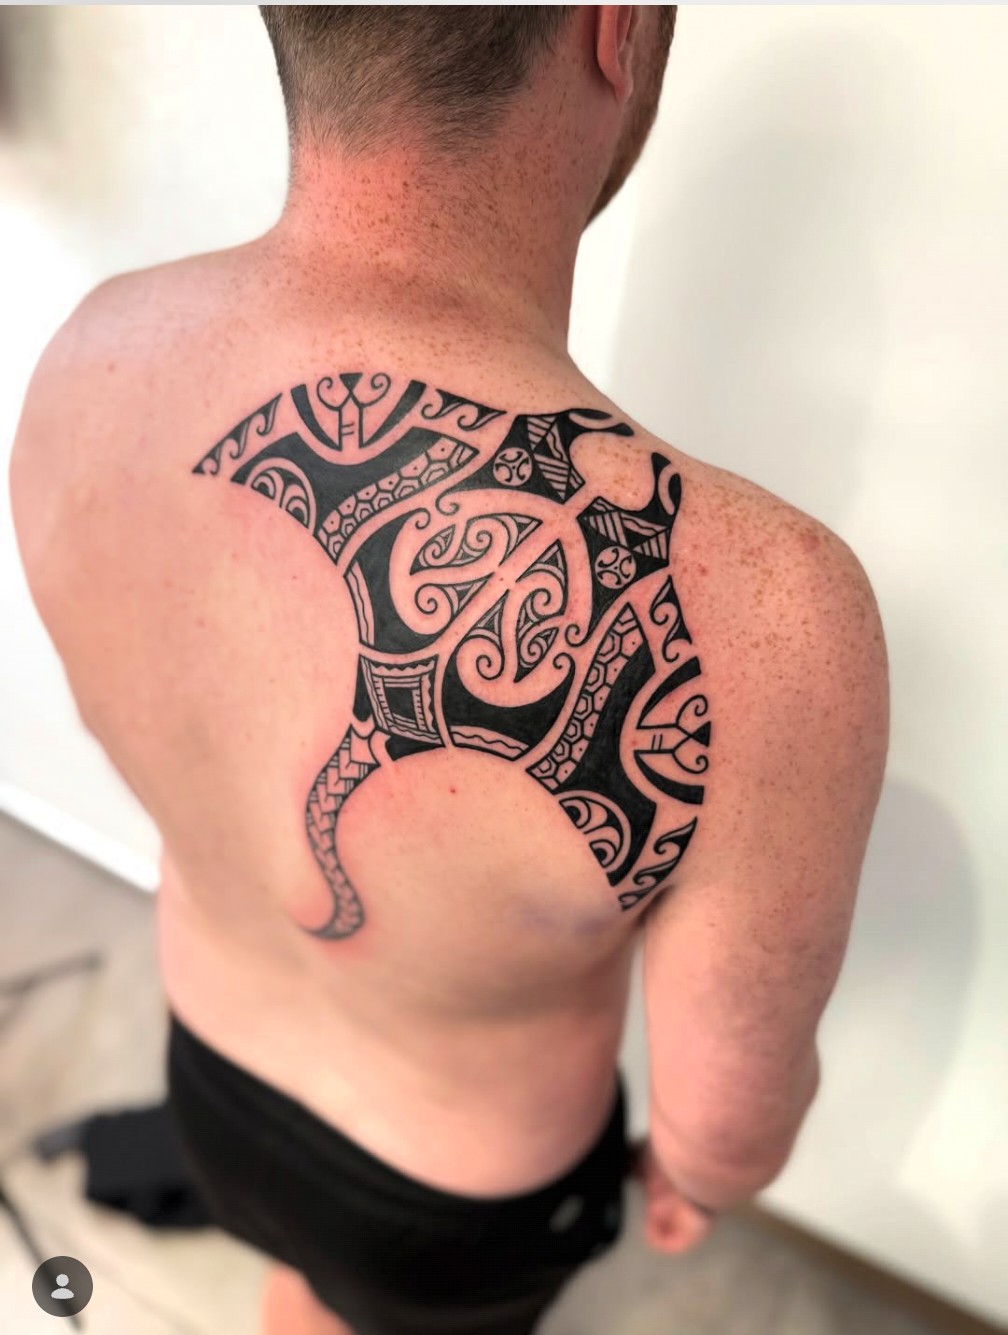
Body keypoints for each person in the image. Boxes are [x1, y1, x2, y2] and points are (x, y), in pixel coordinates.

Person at [8, 6, 889, 1335]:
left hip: (210, 1072)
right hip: (450, 1206)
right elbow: (729, 1110)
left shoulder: (94, 353)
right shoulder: (770, 613)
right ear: (614, 27)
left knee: (300, 1287)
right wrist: (701, 1179)